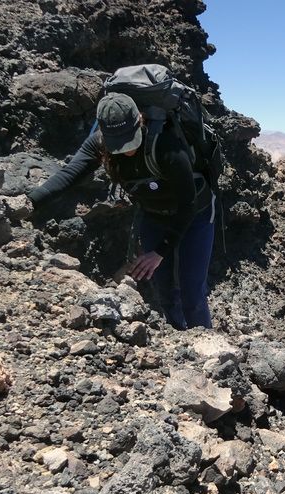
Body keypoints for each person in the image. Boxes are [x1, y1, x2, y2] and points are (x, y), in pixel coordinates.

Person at [27, 93, 215, 330]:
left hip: (196, 214)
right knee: (165, 287)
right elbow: (69, 175)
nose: (126, 150)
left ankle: (207, 347)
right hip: (154, 215)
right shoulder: (99, 142)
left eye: (130, 140)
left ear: (140, 120)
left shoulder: (165, 144)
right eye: (118, 143)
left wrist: (159, 252)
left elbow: (188, 203)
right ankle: (180, 338)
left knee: (192, 290)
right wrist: (27, 204)